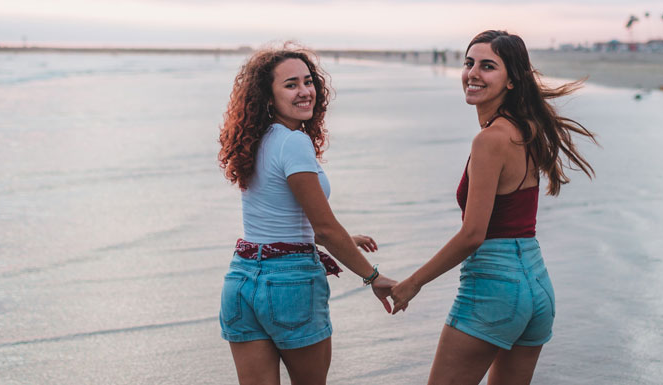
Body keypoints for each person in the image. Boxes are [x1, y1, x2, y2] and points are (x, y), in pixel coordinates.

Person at [390, 30, 597, 385]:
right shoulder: (527, 129)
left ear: (512, 80)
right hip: (537, 285)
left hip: (495, 287)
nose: (473, 73)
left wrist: (413, 283)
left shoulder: (490, 139)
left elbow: (473, 234)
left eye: (488, 66)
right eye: (469, 63)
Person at [217, 44, 396, 385]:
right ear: (268, 97)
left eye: (308, 81)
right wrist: (373, 277)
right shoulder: (293, 142)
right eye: (291, 85)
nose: (305, 91)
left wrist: (345, 240)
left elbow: (278, 216)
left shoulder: (254, 141)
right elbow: (326, 228)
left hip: (240, 280)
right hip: (288, 284)